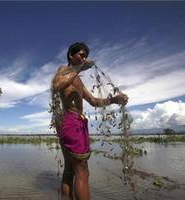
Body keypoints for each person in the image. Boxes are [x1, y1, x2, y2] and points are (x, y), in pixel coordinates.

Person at [52, 42, 128, 200]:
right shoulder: (63, 70)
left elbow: (93, 101)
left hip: (77, 123)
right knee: (82, 170)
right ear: (71, 56)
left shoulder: (78, 81)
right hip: (71, 122)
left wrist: (114, 99)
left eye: (85, 55)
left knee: (70, 170)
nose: (84, 58)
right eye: (81, 54)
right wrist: (79, 68)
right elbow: (58, 85)